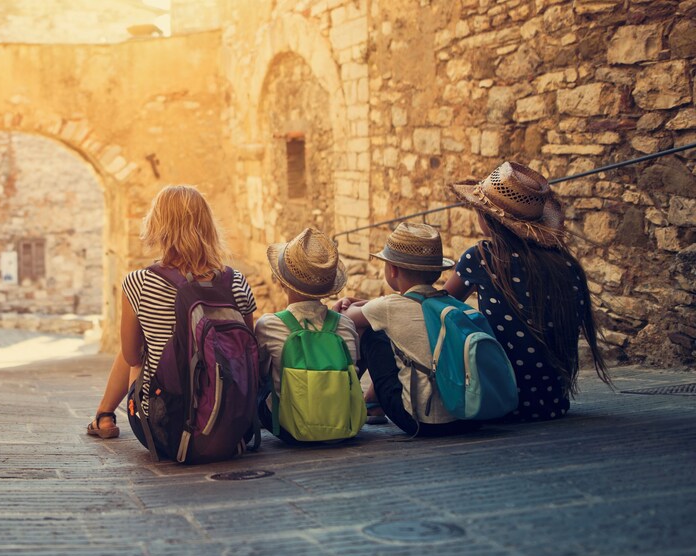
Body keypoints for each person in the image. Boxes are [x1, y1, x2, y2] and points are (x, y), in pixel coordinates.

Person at [86, 185, 257, 439]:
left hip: (164, 429)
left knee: (136, 350)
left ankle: (104, 415)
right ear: (208, 225)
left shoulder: (139, 282)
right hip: (229, 422)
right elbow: (247, 350)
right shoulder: (236, 281)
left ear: (157, 225)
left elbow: (131, 357)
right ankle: (104, 414)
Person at [443, 161, 610, 421]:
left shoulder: (482, 257)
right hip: (552, 403)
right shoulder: (564, 263)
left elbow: (440, 304)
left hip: (502, 400)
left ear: (490, 218)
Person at [335, 222, 480, 437]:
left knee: (371, 333)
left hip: (420, 421)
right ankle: (372, 402)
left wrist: (345, 304)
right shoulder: (448, 302)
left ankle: (350, 405)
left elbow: (346, 319)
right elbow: (395, 306)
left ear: (393, 270)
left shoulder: (388, 307)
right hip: (468, 418)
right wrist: (367, 305)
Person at [255, 227, 361, 443]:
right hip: (344, 425)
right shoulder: (346, 325)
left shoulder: (268, 325)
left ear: (282, 282)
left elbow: (258, 373)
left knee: (261, 371)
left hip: (290, 431)